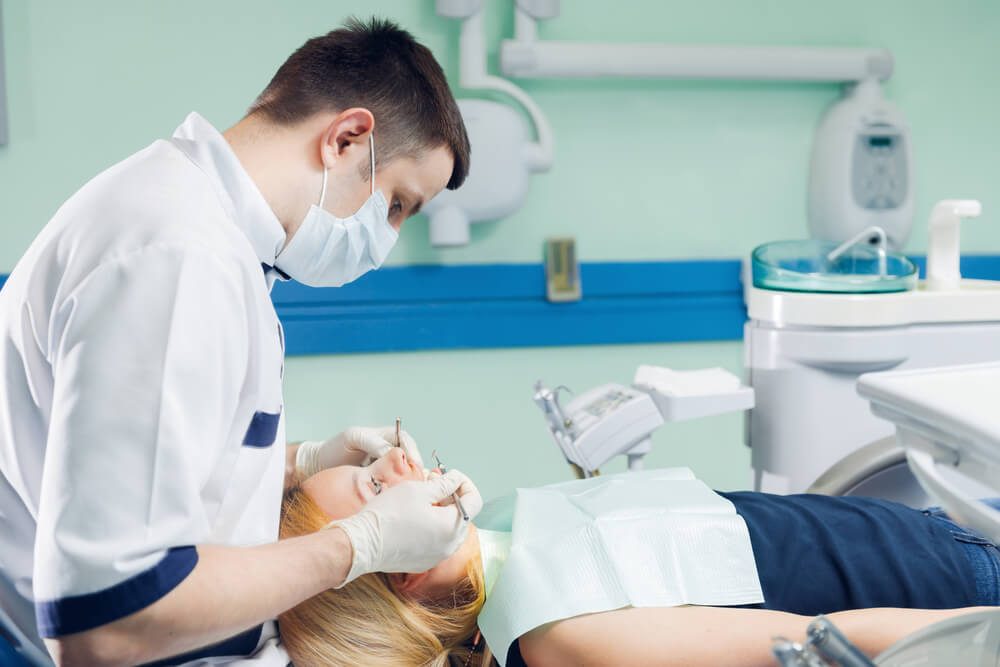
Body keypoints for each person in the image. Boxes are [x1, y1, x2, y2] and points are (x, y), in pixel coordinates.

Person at [0, 17, 477, 667]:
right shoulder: (178, 257)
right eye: (395, 203)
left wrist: (304, 461)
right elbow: (105, 625)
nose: (385, 239)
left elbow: (163, 477)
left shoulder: (215, 244)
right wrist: (357, 545)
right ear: (346, 139)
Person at [277, 454, 1000, 667]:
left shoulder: (497, 533)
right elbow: (827, 642)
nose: (398, 459)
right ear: (402, 571)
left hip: (928, 539)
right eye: (376, 486)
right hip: (954, 597)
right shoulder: (559, 634)